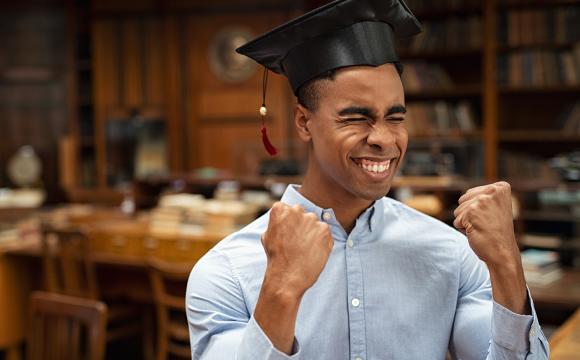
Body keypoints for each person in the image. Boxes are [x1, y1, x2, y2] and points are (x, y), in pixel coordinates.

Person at [186, 0, 550, 358]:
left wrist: (507, 265)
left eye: (395, 117)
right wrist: (280, 292)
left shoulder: (451, 254)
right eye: (355, 117)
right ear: (302, 122)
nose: (384, 139)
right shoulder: (226, 272)